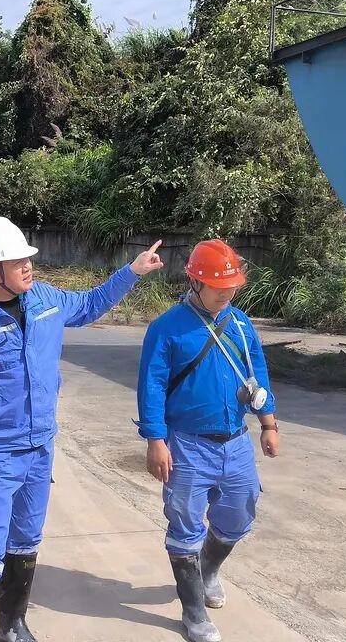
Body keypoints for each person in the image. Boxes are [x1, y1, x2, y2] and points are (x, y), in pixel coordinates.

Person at [0, 216, 164, 642]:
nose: (27, 266)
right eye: (15, 262)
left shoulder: (47, 300)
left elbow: (91, 304)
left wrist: (132, 271)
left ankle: (14, 625)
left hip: (40, 448)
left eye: (27, 259)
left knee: (26, 538)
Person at [135, 239, 280, 642]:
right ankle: (194, 613)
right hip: (186, 444)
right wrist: (155, 440)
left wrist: (268, 423)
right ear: (195, 282)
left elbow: (257, 374)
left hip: (236, 442)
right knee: (184, 524)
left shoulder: (241, 324)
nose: (226, 294)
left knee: (238, 517)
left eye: (232, 287)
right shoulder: (167, 328)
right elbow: (151, 387)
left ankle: (209, 569)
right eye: (219, 287)